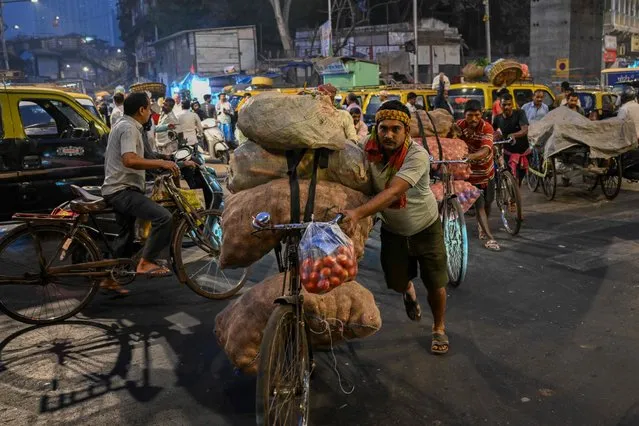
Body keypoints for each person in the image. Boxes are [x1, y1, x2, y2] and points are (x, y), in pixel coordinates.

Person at [343, 100, 450, 355]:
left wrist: (357, 213)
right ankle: (408, 290)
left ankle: (439, 327)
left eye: (395, 129)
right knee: (396, 282)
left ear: (406, 130)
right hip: (393, 231)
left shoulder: (417, 155)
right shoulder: (366, 150)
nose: (388, 135)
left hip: (425, 227)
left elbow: (394, 193)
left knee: (435, 283)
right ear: (375, 129)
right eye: (383, 129)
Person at [100, 93, 181, 294]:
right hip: (122, 190)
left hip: (117, 188)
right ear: (141, 110)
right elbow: (130, 159)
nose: (150, 114)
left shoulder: (123, 124)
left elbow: (146, 156)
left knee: (125, 236)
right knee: (164, 217)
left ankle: (109, 278)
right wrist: (161, 163)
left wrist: (170, 161)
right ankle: (146, 262)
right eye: (148, 109)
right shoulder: (128, 128)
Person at [457, 99, 500, 252]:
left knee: (489, 202)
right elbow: (451, 139)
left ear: (481, 114)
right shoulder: (460, 126)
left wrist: (471, 157)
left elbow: (486, 150)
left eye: (476, 115)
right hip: (469, 174)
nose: (473, 119)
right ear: (464, 115)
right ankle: (490, 237)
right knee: (480, 205)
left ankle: (483, 225)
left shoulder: (486, 127)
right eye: (470, 115)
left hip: (486, 172)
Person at [493, 93, 530, 185]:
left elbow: (525, 130)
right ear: (500, 105)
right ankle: (513, 196)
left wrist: (514, 135)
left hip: (523, 151)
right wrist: (496, 135)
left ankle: (516, 194)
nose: (507, 107)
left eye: (509, 104)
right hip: (508, 152)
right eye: (504, 104)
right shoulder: (498, 118)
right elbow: (493, 132)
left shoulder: (520, 113)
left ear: (512, 104)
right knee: (510, 176)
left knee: (520, 177)